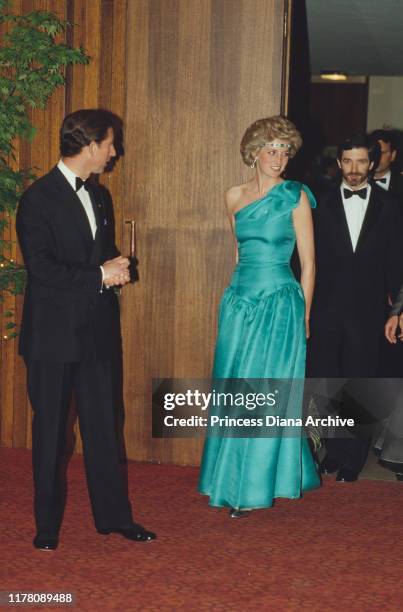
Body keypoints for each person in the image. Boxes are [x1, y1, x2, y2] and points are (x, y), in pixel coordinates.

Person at [16, 109, 156, 550]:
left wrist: (117, 268)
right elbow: (41, 268)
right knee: (52, 432)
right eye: (111, 144)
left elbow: (101, 254)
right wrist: (100, 273)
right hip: (53, 337)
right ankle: (47, 528)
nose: (115, 152)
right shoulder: (37, 198)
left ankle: (115, 518)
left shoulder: (101, 197)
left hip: (97, 332)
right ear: (90, 145)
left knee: (104, 427)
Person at [198, 116, 320, 517]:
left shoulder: (296, 195)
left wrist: (303, 316)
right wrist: (233, 297)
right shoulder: (233, 195)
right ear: (254, 152)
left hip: (279, 302)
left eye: (285, 150)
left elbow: (309, 264)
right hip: (239, 301)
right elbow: (238, 251)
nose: (278, 157)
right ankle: (229, 478)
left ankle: (250, 487)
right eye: (271, 149)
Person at [307, 134, 403, 482]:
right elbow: (305, 258)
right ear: (338, 164)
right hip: (325, 309)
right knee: (327, 384)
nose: (354, 169)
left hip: (368, 313)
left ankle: (352, 459)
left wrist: (397, 310)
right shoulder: (318, 203)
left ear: (373, 164)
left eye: (361, 161)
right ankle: (332, 452)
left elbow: (398, 263)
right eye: (347, 161)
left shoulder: (391, 206)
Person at [369, 129, 403, 201]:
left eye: (383, 153)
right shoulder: (358, 181)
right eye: (374, 152)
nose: (377, 157)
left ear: (393, 155)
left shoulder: (400, 183)